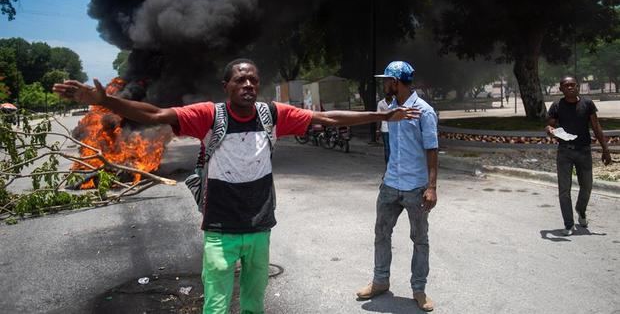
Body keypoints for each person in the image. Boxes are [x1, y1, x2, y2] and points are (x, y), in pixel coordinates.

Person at [54, 58, 418, 314]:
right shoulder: (209, 115)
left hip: (260, 227)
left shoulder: (271, 114)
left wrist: (382, 115)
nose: (247, 85)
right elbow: (155, 114)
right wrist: (105, 101)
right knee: (215, 304)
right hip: (219, 230)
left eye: (253, 80)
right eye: (240, 80)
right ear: (226, 86)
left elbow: (326, 116)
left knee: (253, 304)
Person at [356, 61, 438, 312]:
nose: (384, 84)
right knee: (381, 233)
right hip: (390, 185)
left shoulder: (424, 111)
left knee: (419, 239)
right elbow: (391, 147)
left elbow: (432, 150)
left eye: (386, 80)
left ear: (396, 82)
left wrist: (431, 187)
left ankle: (419, 289)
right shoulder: (388, 109)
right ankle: (380, 281)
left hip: (415, 187)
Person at [545, 76, 611, 236]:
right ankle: (568, 224)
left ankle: (581, 210)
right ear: (561, 89)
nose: (570, 88)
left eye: (572, 85)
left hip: (584, 151)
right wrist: (550, 130)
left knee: (587, 186)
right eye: (566, 85)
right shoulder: (556, 105)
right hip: (565, 151)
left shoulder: (587, 104)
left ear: (578, 87)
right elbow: (550, 125)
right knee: (564, 190)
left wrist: (605, 149)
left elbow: (596, 126)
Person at [376, 94, 393, 164]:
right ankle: (388, 165)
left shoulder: (396, 102)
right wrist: (377, 129)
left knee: (394, 147)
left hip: (394, 128)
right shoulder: (380, 103)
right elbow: (378, 117)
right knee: (387, 148)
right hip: (385, 128)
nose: (388, 95)